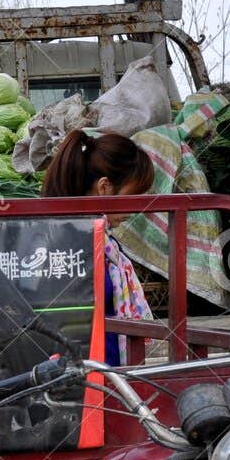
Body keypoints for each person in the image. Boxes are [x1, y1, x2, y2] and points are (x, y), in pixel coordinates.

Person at [40, 130, 156, 363]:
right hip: (92, 383)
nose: (135, 210)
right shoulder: (81, 246)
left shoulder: (97, 242)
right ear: (104, 188)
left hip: (98, 378)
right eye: (132, 197)